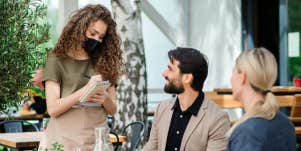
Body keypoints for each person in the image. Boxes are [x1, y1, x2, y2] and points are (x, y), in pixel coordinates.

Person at [39, 4, 123, 151]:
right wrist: (86, 90)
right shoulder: (56, 60)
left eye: (101, 37)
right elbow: (52, 109)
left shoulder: (105, 61)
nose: (96, 39)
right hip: (63, 139)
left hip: (98, 139)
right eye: (92, 33)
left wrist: (105, 99)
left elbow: (113, 109)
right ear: (79, 28)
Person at [144, 47, 231, 151]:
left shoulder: (218, 119)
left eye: (170, 69)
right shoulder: (161, 108)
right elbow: (151, 148)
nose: (164, 73)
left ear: (187, 78)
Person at [226, 47, 296, 151]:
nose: (230, 79)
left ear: (243, 77)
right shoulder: (286, 125)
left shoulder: (247, 133)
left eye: (233, 71)